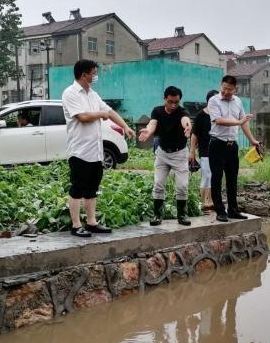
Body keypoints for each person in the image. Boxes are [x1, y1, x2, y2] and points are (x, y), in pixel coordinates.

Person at [62, 59, 136, 237]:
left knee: (92, 188)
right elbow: (83, 116)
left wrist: (125, 126)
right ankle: (75, 224)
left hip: (96, 151)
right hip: (79, 151)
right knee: (77, 188)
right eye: (93, 73)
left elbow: (109, 112)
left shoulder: (93, 95)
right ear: (83, 74)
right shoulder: (70, 93)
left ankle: (91, 222)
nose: (95, 76)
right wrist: (101, 114)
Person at [138, 86, 192, 226]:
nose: (173, 105)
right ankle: (157, 215)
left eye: (176, 102)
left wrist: (188, 126)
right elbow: (152, 123)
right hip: (162, 153)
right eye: (170, 101)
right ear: (164, 99)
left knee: (182, 186)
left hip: (179, 153)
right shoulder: (157, 111)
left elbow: (185, 119)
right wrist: (148, 132)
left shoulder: (182, 111)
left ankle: (182, 215)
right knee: (158, 184)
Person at [208, 75, 260, 222]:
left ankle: (233, 209)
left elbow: (244, 123)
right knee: (216, 178)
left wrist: (252, 140)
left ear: (234, 89)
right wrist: (238, 122)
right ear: (221, 86)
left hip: (232, 146)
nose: (226, 92)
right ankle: (220, 211)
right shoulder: (213, 100)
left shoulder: (238, 101)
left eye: (229, 90)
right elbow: (218, 120)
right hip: (217, 144)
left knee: (232, 179)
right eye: (224, 88)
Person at [189, 90, 218, 211]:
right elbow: (194, 135)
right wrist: (192, 151)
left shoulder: (219, 115)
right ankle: (204, 201)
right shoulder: (201, 115)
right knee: (207, 175)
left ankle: (211, 200)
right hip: (205, 149)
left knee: (215, 176)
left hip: (218, 149)